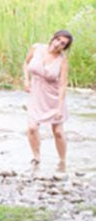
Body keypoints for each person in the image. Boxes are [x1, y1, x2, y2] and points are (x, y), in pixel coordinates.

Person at [23, 30, 73, 172]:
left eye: (62, 43)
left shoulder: (62, 60)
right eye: (57, 39)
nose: (58, 44)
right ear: (53, 38)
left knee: (57, 131)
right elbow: (26, 64)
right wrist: (26, 80)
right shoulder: (37, 48)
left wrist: (59, 107)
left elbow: (63, 84)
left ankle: (62, 162)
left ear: (64, 47)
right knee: (32, 127)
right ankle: (36, 157)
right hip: (36, 92)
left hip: (54, 97)